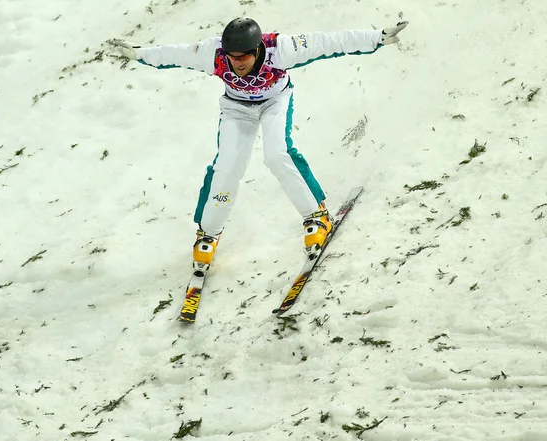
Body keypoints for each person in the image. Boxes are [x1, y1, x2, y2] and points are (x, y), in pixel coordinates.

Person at [110, 18, 408, 276]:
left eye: (243, 57)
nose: (236, 63)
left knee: (277, 154)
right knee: (226, 167)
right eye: (231, 57)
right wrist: (137, 54)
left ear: (257, 51)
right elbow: (174, 54)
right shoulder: (212, 54)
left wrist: (376, 38)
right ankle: (208, 234)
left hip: (275, 102)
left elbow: (328, 42)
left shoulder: (282, 49)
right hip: (236, 109)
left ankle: (317, 215)